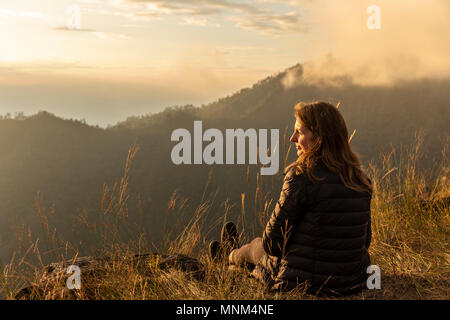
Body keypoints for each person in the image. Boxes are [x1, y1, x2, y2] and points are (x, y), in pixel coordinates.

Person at [209, 101, 373, 296]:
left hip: (305, 283)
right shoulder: (362, 180)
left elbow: (272, 243)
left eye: (299, 132)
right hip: (352, 281)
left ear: (319, 138)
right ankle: (231, 252)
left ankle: (229, 255)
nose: (292, 138)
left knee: (257, 246)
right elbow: (365, 241)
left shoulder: (303, 176)